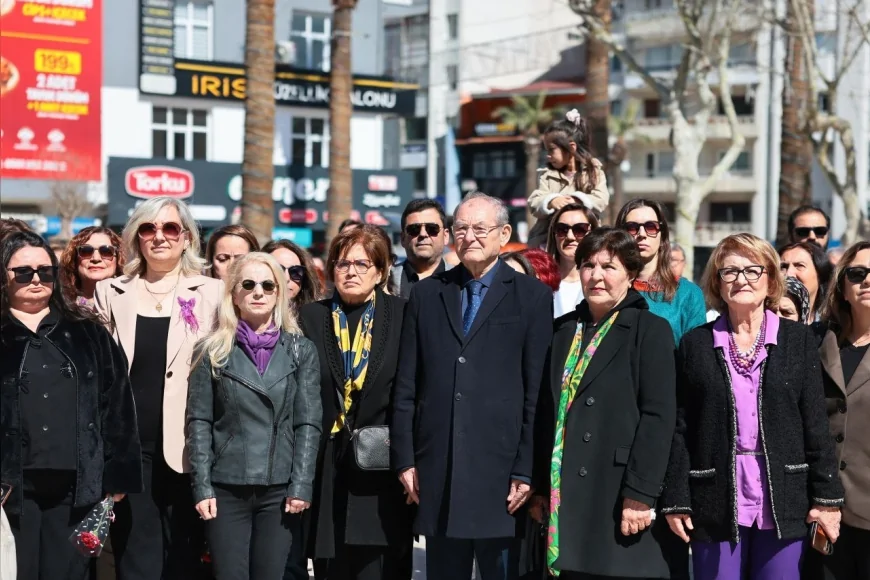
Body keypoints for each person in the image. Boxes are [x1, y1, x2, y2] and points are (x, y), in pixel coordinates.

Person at [662, 233, 844, 580]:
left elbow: (816, 425)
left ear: (771, 279)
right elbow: (681, 428)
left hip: (785, 498)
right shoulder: (695, 344)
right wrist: (676, 498)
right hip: (714, 498)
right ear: (717, 282)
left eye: (752, 270)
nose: (741, 279)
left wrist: (827, 498)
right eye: (729, 271)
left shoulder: (799, 341)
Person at [392, 192, 552, 580]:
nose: (470, 237)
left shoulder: (531, 296)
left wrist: (527, 470)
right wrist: (406, 459)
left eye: (481, 228)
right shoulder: (428, 295)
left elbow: (537, 391)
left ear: (504, 234)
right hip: (439, 466)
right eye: (461, 228)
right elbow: (408, 384)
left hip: (502, 474)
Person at [536, 227, 678, 579]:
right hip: (564, 494)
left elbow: (659, 418)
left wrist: (640, 494)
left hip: (617, 492)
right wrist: (539, 485)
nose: (596, 275)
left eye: (608, 266)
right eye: (588, 265)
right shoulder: (562, 331)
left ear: (630, 275)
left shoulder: (649, 330)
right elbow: (543, 411)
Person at [93, 196, 224, 580]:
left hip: (189, 447)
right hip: (130, 448)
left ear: (186, 238)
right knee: (135, 556)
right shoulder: (111, 292)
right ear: (137, 237)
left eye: (170, 228)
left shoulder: (212, 294)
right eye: (149, 229)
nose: (160, 237)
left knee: (184, 555)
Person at [1, 231, 143, 580]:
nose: (35, 279)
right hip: (10, 491)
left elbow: (118, 405)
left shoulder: (88, 333)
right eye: (23, 272)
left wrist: (118, 474)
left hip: (76, 488)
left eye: (44, 271)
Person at [186, 252, 322, 580]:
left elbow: (308, 423)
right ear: (233, 293)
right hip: (226, 487)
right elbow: (199, 422)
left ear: (280, 293)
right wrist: (202, 485)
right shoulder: (211, 350)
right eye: (248, 284)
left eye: (268, 285)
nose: (258, 292)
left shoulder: (301, 350)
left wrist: (301, 484)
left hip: (280, 488)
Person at [301, 225, 413, 580]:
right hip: (326, 464)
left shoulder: (402, 316)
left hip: (381, 462)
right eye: (343, 263)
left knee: (379, 567)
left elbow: (415, 393)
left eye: (362, 264)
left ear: (380, 271)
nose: (351, 271)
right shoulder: (309, 318)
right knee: (330, 565)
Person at [809, 241, 870, 579]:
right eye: (857, 273)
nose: (867, 280)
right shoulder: (818, 342)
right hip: (820, 510)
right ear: (843, 287)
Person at [615, 199, 706, 344]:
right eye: (632, 227)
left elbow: (695, 356)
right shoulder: (609, 289)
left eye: (651, 227)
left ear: (662, 235)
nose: (642, 234)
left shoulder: (688, 294)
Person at [526, 109, 609, 248]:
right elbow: (534, 201)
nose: (548, 155)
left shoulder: (593, 172)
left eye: (551, 150)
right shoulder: (548, 175)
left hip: (586, 239)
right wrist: (552, 201)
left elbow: (601, 199)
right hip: (551, 240)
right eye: (546, 151)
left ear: (571, 148)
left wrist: (577, 200)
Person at [546, 203, 599, 318]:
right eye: (562, 229)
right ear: (554, 234)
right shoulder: (540, 280)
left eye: (580, 229)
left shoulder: (601, 281)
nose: (570, 237)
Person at [394, 199, 452, 298]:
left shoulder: (461, 281)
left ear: (445, 236)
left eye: (432, 228)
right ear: (403, 238)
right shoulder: (386, 280)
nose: (423, 234)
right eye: (414, 229)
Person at [59, 226, 124, 309]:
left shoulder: (133, 300)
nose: (96, 259)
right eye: (86, 251)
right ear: (74, 259)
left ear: (119, 258)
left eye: (106, 251)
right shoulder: (59, 303)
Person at [779, 241, 832, 323]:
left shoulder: (830, 329)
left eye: (799, 265)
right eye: (783, 267)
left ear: (820, 275)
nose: (789, 273)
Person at [263, 239, 324, 308]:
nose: (286, 278)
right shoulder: (250, 316)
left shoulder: (317, 315)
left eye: (295, 272)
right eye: (278, 270)